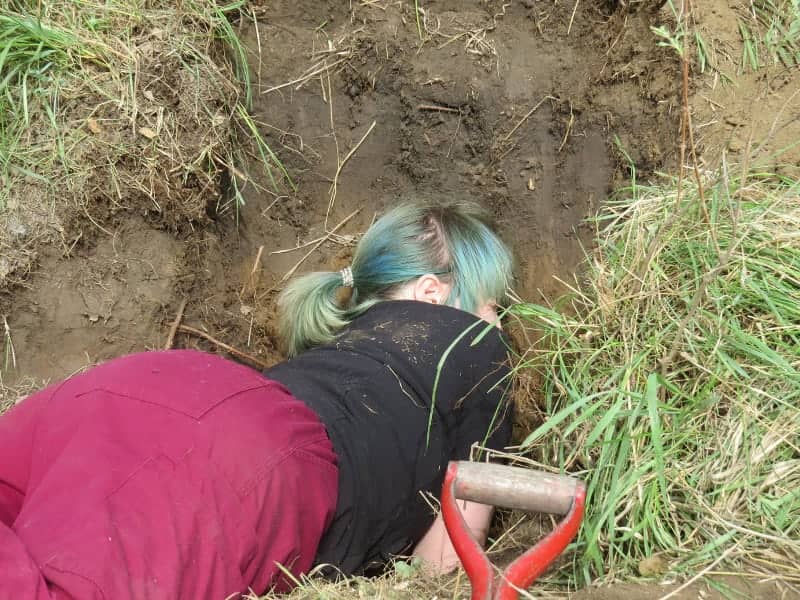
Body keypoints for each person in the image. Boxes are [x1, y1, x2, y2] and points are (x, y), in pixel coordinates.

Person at [0, 201, 515, 599]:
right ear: (432, 292)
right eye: (494, 307)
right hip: (239, 451)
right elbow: (446, 565)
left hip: (143, 385)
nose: (500, 326)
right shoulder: (472, 344)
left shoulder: (336, 352)